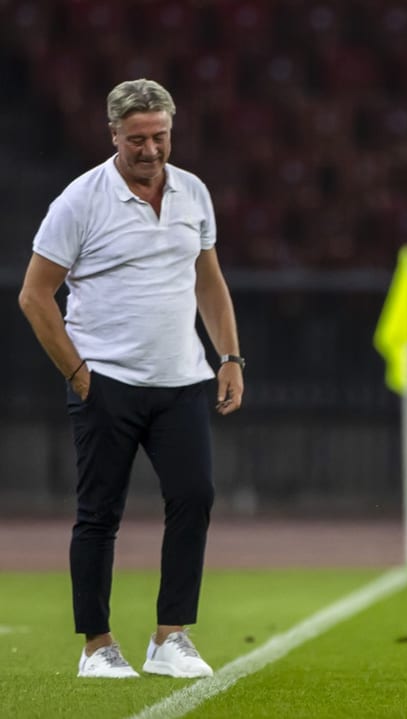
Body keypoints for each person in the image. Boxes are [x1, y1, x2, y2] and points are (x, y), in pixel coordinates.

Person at [18, 79, 245, 679]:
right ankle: (97, 645)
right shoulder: (79, 200)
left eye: (160, 136)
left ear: (173, 130)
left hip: (181, 381)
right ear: (113, 134)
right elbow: (35, 295)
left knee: (194, 497)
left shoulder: (193, 192)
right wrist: (79, 373)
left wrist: (229, 357)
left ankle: (170, 637)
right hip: (106, 382)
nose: (150, 149)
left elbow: (209, 281)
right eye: (137, 138)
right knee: (99, 514)